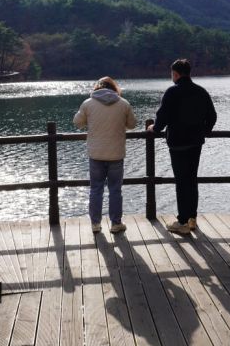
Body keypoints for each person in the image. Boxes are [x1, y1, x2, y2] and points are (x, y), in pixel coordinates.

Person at [149, 59, 216, 235]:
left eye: (172, 74)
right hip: (195, 142)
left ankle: (183, 222)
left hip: (178, 144)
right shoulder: (201, 91)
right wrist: (204, 131)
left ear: (176, 74)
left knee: (181, 182)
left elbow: (162, 117)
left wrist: (154, 129)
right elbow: (212, 116)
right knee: (192, 180)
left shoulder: (172, 92)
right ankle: (192, 218)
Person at [74, 76, 137, 234]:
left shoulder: (88, 103)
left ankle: (95, 223)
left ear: (97, 88)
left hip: (96, 154)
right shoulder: (123, 104)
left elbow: (77, 122)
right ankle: (116, 223)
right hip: (116, 154)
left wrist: (91, 120)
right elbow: (132, 124)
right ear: (114, 88)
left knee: (96, 189)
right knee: (115, 190)